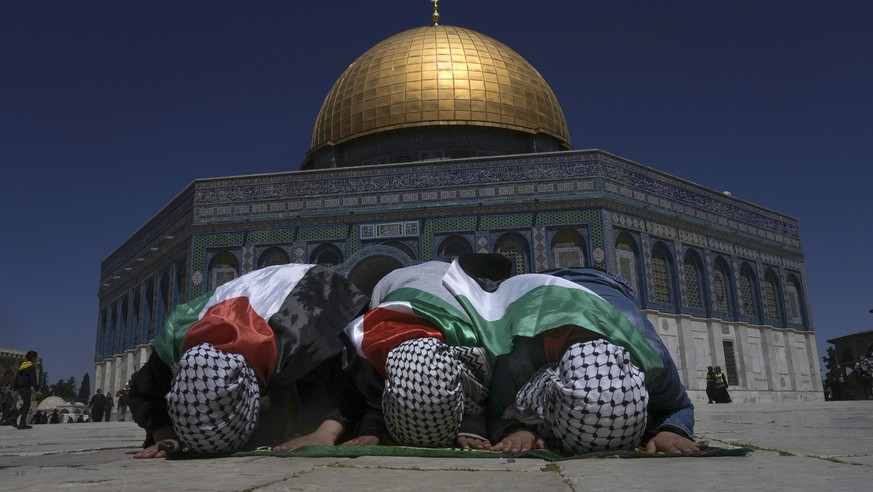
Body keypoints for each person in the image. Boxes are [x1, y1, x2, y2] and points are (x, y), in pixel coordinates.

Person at [440, 266, 702, 455]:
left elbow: (679, 407)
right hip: (561, 281)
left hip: (598, 287)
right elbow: (494, 412)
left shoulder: (648, 359)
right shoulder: (519, 357)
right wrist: (515, 429)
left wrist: (672, 429)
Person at [128, 263, 372, 458]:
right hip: (256, 306)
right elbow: (144, 393)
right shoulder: (170, 349)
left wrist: (327, 431)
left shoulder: (308, 338)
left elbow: (360, 374)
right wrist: (166, 434)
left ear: (260, 398)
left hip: (315, 291)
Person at [341, 254, 512, 450]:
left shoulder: (478, 344)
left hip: (451, 285)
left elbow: (483, 390)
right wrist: (372, 429)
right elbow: (371, 394)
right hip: (400, 283)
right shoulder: (367, 343)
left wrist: (471, 427)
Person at [13, 350, 40, 430]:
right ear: (32, 358)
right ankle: (22, 423)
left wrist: (15, 388)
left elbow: (17, 377)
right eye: (35, 357)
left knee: (26, 405)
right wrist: (36, 389)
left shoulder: (23, 366)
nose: (36, 359)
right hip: (26, 388)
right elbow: (33, 379)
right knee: (27, 405)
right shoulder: (31, 366)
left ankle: (14, 417)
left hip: (20, 388)